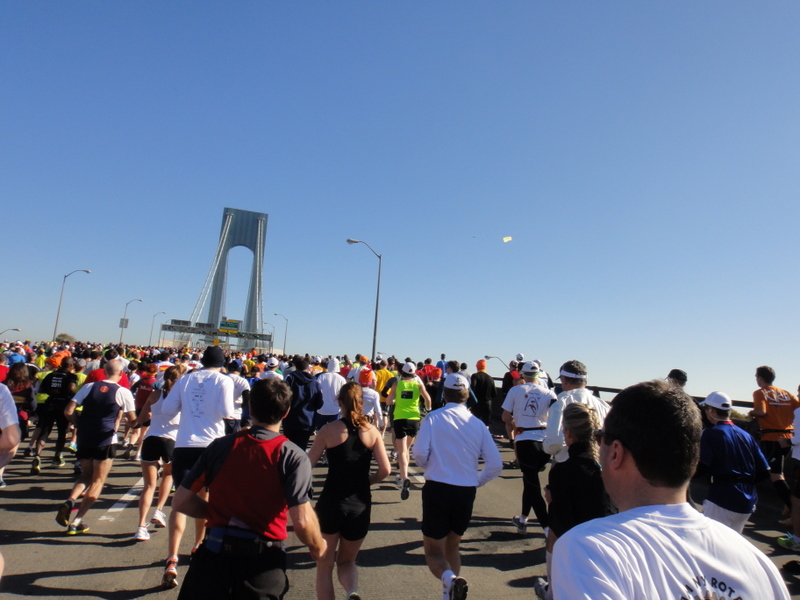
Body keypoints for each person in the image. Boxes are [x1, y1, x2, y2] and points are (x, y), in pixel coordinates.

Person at [551, 380, 790, 599]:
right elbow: (764, 470)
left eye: (600, 437)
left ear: (615, 452)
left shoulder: (586, 550)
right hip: (744, 501)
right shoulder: (758, 563)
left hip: (721, 496)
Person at [171, 377, 326, 600]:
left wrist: (219, 513)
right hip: (262, 564)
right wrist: (318, 545)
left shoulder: (221, 446)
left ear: (250, 408)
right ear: (286, 412)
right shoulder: (293, 456)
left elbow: (181, 501)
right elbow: (302, 521)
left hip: (213, 559)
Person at [413, 373, 502, 600]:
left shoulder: (433, 417)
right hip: (465, 491)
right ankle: (449, 592)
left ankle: (450, 581)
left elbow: (420, 453)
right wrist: (476, 480)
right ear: (466, 394)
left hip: (438, 487)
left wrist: (427, 464)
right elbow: (495, 464)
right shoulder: (479, 424)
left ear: (445, 393)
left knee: (434, 551)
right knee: (453, 546)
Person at [307, 382, 391, 600]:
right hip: (360, 504)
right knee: (347, 562)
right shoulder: (371, 432)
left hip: (331, 502)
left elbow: (308, 465)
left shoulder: (328, 431)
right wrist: (368, 481)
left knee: (324, 566)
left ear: (339, 403)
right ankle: (351, 591)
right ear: (361, 402)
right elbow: (386, 469)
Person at [160, 345, 235, 588]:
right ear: (222, 363)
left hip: (184, 445)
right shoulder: (223, 381)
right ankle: (199, 547)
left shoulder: (185, 380)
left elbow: (167, 409)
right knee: (206, 498)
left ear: (202, 361)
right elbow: (226, 412)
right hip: (212, 446)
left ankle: (171, 557)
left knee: (181, 502)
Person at [534, 402, 610, 600]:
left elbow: (560, 525)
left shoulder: (562, 470)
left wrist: (553, 502)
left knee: (552, 535)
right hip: (605, 545)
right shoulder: (605, 468)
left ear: (567, 433)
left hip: (575, 547)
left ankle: (551, 591)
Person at [56, 360, 136, 534]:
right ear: (121, 374)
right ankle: (77, 521)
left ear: (104, 371)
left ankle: (70, 500)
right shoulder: (123, 392)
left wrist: (78, 424)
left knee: (86, 475)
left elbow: (68, 411)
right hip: (105, 439)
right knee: (98, 481)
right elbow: (132, 420)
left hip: (84, 438)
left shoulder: (89, 387)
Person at [697, 391, 769, 533]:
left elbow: (702, 467)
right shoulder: (746, 435)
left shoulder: (710, 433)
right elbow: (765, 471)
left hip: (721, 498)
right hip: (747, 501)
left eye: (706, 409)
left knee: (712, 546)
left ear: (711, 410)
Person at [501, 361, 556, 534]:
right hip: (544, 442)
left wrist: (516, 421)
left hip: (525, 440)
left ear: (522, 375)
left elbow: (504, 416)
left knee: (532, 485)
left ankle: (548, 529)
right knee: (529, 480)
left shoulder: (515, 390)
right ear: (539, 375)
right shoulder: (549, 393)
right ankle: (523, 519)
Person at [131, 365, 183, 541]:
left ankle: (140, 526)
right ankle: (159, 510)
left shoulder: (155, 395)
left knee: (148, 486)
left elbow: (142, 418)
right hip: (171, 441)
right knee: (168, 476)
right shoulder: (181, 398)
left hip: (151, 439)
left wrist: (134, 424)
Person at [748, 365, 799, 512]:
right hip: (788, 438)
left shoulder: (760, 392)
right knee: (775, 473)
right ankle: (790, 507)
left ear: (760, 378)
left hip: (771, 438)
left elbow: (761, 411)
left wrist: (751, 413)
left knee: (774, 474)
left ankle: (792, 509)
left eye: (756, 377)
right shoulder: (787, 394)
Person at [543, 360, 609, 463]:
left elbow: (555, 441)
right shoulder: (603, 405)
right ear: (585, 381)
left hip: (568, 464)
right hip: (596, 464)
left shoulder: (560, 404)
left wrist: (546, 446)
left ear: (564, 381)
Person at [387, 361, 431, 500]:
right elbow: (428, 399)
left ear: (402, 372)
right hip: (414, 419)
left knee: (402, 451)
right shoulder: (418, 385)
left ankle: (404, 477)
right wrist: (427, 409)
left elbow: (388, 401)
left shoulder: (397, 384)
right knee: (406, 449)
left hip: (400, 418)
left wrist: (394, 401)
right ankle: (401, 476)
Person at [282, 355, 324, 451]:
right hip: (307, 421)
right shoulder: (315, 382)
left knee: (287, 449)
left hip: (290, 419)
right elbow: (319, 403)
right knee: (301, 449)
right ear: (308, 367)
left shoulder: (290, 378)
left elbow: (284, 397)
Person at [469, 359, 496, 426]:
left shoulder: (475, 376)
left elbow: (472, 389)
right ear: (485, 367)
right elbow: (494, 393)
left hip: (476, 404)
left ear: (477, 367)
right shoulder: (490, 378)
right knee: (486, 423)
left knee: (474, 422)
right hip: (487, 403)